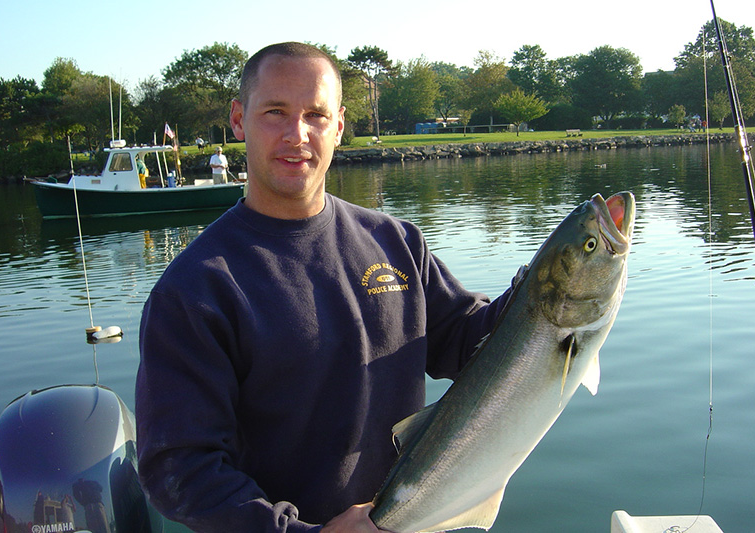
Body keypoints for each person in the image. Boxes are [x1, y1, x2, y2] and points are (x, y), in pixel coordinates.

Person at [135, 42, 512, 532]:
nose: (297, 134)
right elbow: (179, 467)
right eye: (275, 112)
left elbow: (474, 343)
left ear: (338, 125)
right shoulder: (196, 290)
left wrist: (563, 286)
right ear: (238, 120)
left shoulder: (397, 243)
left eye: (316, 114)